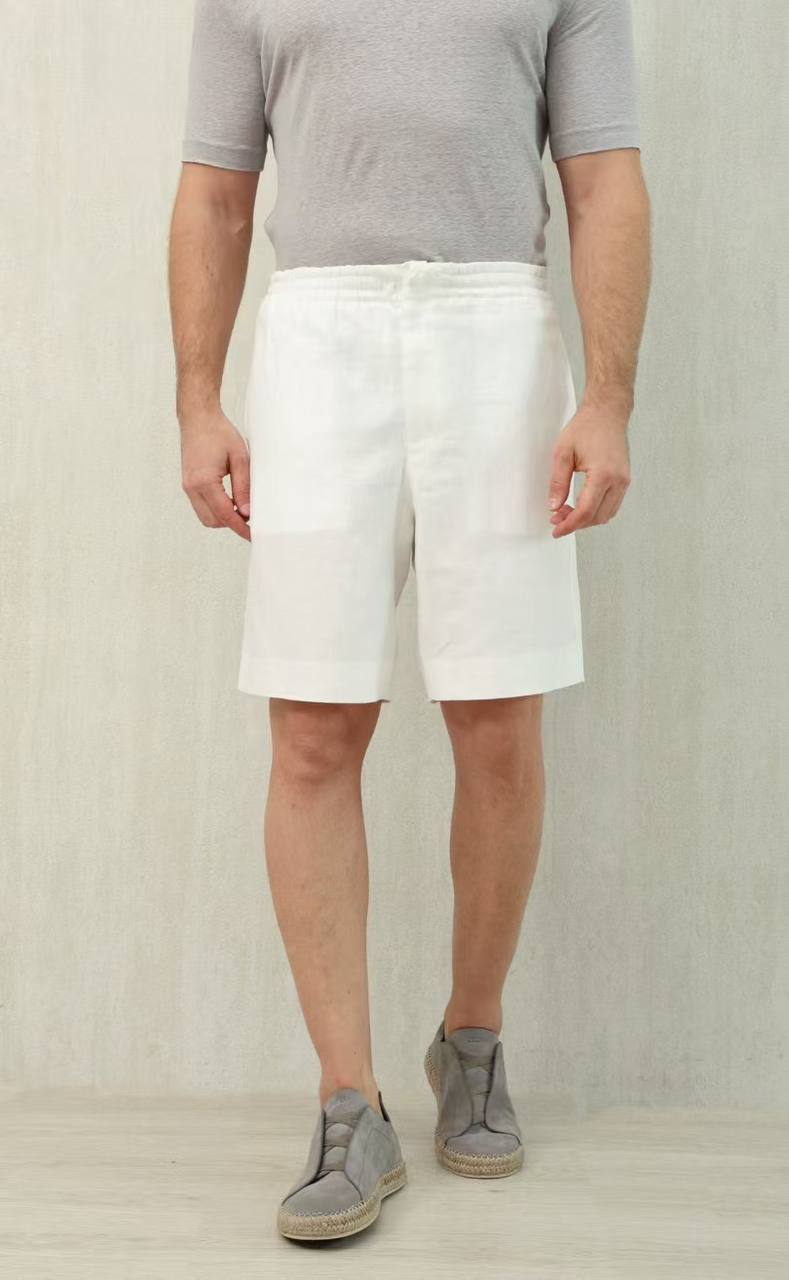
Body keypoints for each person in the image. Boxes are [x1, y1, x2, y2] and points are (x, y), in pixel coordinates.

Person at [168, 0, 651, 1242]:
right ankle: (351, 1103)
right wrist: (197, 401)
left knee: (497, 717)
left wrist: (608, 396)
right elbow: (216, 191)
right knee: (313, 725)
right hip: (317, 333)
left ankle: (471, 1035)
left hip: (498, 326)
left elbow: (602, 179)